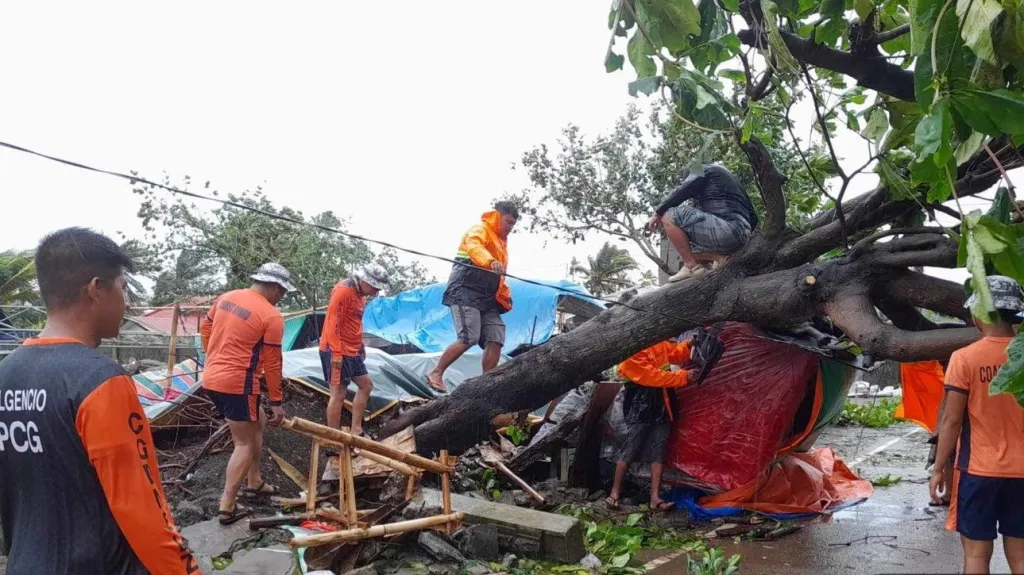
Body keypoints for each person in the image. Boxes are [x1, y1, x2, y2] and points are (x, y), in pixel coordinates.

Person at [0, 227, 197, 573]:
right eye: (122, 287)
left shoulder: (6, 372)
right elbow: (142, 510)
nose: (128, 302)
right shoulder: (100, 380)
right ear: (94, 290)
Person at [930, 275, 1024, 574]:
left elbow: (952, 419)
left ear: (978, 314)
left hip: (978, 473)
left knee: (976, 557)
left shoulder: (964, 359)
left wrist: (938, 468)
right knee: (1022, 557)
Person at [200, 262, 293, 525]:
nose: (282, 297)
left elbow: (205, 330)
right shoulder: (271, 316)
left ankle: (254, 482)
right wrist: (277, 401)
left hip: (211, 378)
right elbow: (273, 364)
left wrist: (215, 356)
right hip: (239, 384)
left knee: (258, 421)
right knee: (244, 442)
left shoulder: (226, 298)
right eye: (282, 292)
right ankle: (227, 505)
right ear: (275, 287)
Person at [426, 201, 518, 392]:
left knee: (496, 336)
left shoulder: (502, 244)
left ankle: (486, 384)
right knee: (469, 336)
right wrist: (489, 261)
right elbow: (475, 248)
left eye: (513, 224)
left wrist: (504, 296)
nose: (510, 228)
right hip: (464, 290)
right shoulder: (480, 230)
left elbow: (500, 277)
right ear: (497, 216)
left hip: (487, 298)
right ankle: (436, 372)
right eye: (508, 222)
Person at [606, 337, 696, 511]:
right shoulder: (632, 348)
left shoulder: (657, 342)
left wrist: (688, 345)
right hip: (640, 404)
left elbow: (674, 355)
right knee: (631, 446)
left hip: (663, 403)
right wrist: (683, 376)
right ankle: (615, 493)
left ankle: (655, 498)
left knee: (659, 450)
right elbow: (650, 375)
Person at [647, 164, 758, 282]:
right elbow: (754, 217)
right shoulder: (733, 182)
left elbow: (683, 189)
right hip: (743, 234)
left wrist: (658, 212)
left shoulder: (703, 169)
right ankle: (720, 258)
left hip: (726, 228)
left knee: (669, 215)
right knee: (687, 248)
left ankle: (691, 267)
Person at [319, 264, 390, 437]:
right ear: (365, 281)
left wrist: (360, 345)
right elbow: (332, 323)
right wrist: (336, 353)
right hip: (336, 349)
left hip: (352, 350)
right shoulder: (343, 291)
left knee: (366, 385)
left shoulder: (362, 296)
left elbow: (355, 322)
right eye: (374, 287)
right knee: (338, 394)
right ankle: (333, 439)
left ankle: (356, 428)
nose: (376, 292)